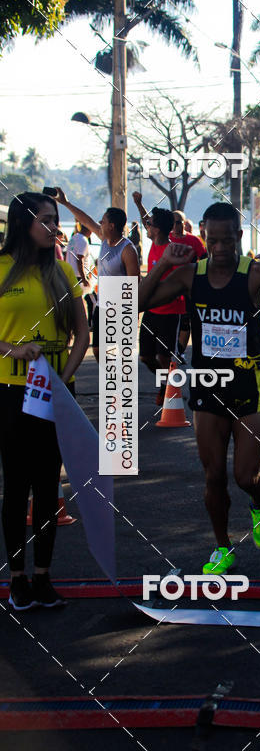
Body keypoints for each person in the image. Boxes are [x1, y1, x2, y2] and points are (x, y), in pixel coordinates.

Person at [138, 202, 260, 575]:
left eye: (227, 241)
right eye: (213, 240)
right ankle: (222, 547)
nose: (220, 248)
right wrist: (162, 265)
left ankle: (258, 499)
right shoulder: (191, 275)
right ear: (205, 237)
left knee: (243, 477)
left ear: (238, 237)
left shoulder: (254, 275)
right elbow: (136, 304)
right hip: (207, 387)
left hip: (248, 386)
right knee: (213, 476)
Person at [0, 193, 89, 610]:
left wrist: (63, 380)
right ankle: (17, 578)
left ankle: (43, 577)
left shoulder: (64, 271)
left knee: (47, 485)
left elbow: (83, 335)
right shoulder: (0, 269)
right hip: (10, 395)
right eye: (47, 220)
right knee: (16, 487)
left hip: (55, 395)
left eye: (56, 219)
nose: (56, 227)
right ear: (23, 223)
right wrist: (12, 351)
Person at [54, 189, 140, 362]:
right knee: (99, 352)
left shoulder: (127, 250)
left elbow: (135, 283)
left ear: (112, 225)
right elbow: (85, 219)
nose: (100, 222)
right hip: (102, 307)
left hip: (120, 310)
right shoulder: (104, 239)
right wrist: (65, 203)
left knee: (118, 355)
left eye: (104, 220)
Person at [132, 194, 185, 403]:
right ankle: (167, 383)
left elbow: (180, 281)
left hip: (170, 312)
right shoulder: (154, 240)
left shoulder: (172, 250)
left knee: (164, 356)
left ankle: (168, 389)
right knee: (145, 357)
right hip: (151, 311)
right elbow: (146, 217)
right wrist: (138, 203)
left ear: (159, 229)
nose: (147, 226)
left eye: (150, 224)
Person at [170, 210, 207, 356]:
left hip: (189, 288)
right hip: (170, 286)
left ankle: (179, 352)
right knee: (171, 320)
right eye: (173, 222)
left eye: (179, 222)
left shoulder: (194, 241)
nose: (176, 225)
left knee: (186, 320)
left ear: (184, 224)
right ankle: (170, 349)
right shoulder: (167, 239)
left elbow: (205, 261)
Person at [66, 222, 94, 325]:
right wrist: (84, 278)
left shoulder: (74, 237)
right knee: (93, 301)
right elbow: (79, 260)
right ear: (89, 230)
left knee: (75, 301)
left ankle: (75, 323)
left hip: (72, 274)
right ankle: (90, 324)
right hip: (79, 276)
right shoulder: (83, 241)